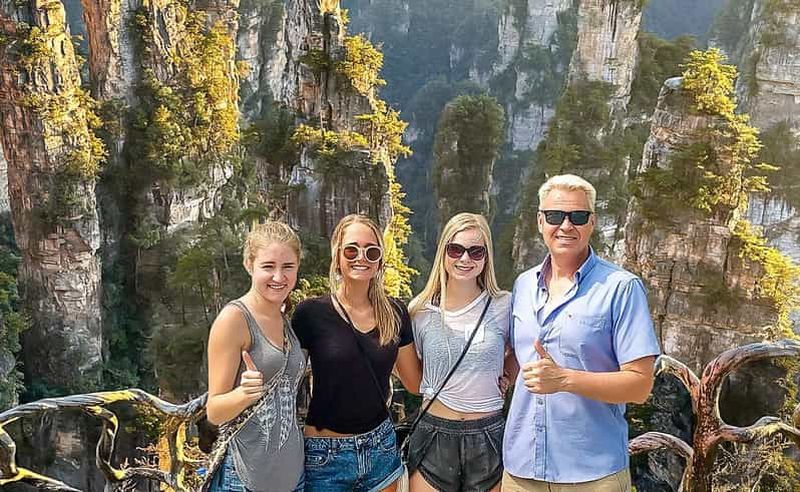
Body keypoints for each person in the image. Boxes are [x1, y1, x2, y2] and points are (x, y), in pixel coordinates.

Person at [502, 174, 661, 492]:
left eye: (577, 216)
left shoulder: (620, 288)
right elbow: (517, 359)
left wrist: (563, 380)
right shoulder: (522, 285)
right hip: (522, 469)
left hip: (592, 473)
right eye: (555, 216)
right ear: (539, 221)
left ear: (592, 222)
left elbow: (640, 385)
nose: (565, 226)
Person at [291, 214, 422, 492]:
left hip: (381, 451)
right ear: (337, 255)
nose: (361, 257)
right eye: (352, 249)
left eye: (371, 251)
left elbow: (415, 382)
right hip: (327, 456)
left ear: (379, 261)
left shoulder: (395, 313)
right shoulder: (310, 314)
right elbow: (286, 381)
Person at [407, 212, 512, 492]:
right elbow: (414, 375)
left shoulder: (504, 306)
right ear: (443, 253)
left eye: (476, 251)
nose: (465, 259)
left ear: (486, 257)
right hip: (434, 432)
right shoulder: (419, 312)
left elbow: (522, 349)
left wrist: (507, 376)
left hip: (489, 433)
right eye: (456, 250)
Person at [205, 221, 307, 492]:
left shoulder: (283, 317)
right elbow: (214, 411)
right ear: (250, 265)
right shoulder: (235, 319)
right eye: (268, 266)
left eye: (288, 267)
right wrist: (244, 394)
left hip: (294, 477)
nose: (278, 276)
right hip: (246, 479)